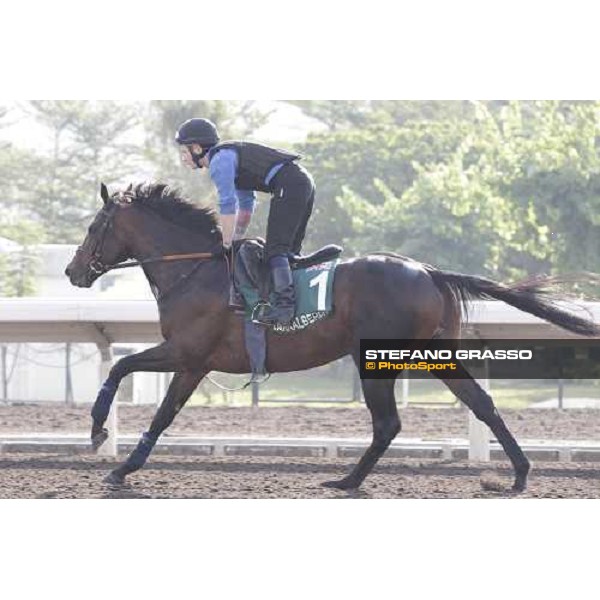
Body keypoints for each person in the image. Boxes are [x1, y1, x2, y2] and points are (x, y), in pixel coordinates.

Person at [175, 117, 316, 326]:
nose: (183, 158)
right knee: (288, 251)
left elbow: (227, 205)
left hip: (291, 183)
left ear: (196, 148)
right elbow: (246, 205)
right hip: (301, 181)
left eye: (184, 151)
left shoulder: (219, 163)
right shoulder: (229, 159)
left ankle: (285, 308)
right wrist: (236, 238)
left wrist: (226, 243)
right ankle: (295, 304)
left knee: (275, 250)